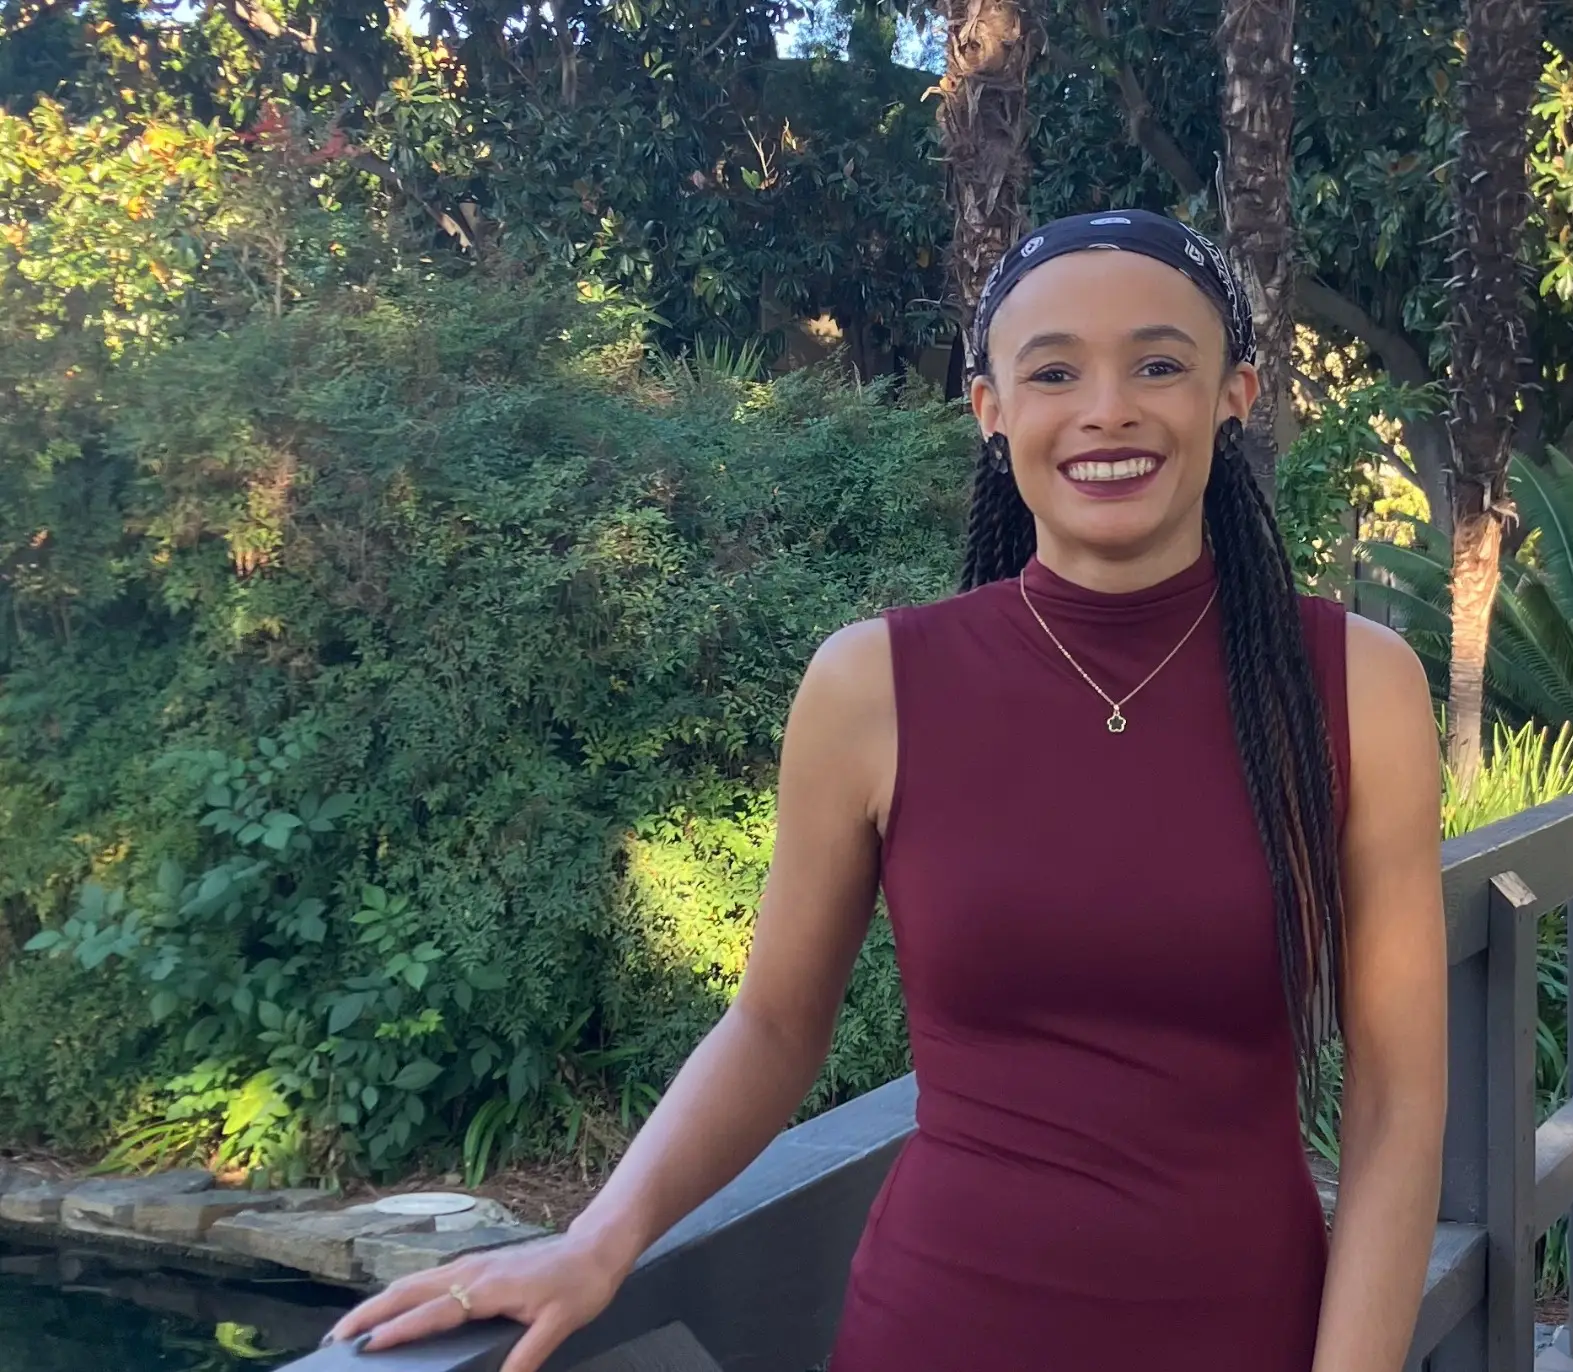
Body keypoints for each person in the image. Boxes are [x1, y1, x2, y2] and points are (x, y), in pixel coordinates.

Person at [325, 209, 1449, 1372]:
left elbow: (1395, 1105)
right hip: (937, 1327)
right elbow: (771, 1026)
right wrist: (597, 1239)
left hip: (1241, 1328)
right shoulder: (873, 685)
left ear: (1233, 394)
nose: (1106, 408)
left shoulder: (1351, 686)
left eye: (1158, 365)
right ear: (989, 410)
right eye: (1052, 371)